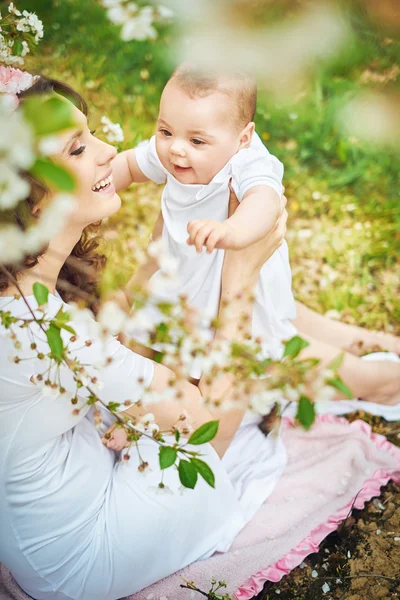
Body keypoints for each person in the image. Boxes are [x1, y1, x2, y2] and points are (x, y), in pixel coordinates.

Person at [0, 75, 399, 600]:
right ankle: (373, 379)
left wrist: (152, 266)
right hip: (84, 558)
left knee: (200, 306)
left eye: (92, 133)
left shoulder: (22, 297)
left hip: (46, 519)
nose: (108, 151)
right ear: (30, 199)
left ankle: (360, 353)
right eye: (78, 148)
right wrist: (240, 276)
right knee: (231, 342)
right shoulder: (43, 332)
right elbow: (208, 426)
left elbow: (115, 328)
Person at [112, 64, 297, 379]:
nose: (176, 149)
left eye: (197, 142)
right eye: (165, 131)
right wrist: (92, 185)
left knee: (189, 366)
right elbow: (130, 165)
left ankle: (186, 403)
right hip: (182, 269)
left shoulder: (248, 161)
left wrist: (231, 229)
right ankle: (121, 384)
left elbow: (266, 201)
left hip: (227, 285)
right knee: (133, 338)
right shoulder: (177, 144)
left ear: (243, 138)